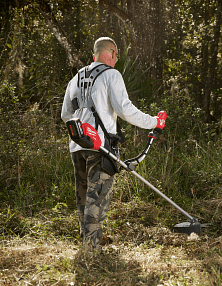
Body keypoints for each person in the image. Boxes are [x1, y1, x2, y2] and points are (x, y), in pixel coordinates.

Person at [61, 37, 167, 252]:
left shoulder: (76, 78)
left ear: (94, 56)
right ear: (110, 53)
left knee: (83, 194)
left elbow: (65, 115)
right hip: (99, 147)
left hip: (77, 145)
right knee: (97, 196)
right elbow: (125, 110)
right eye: (116, 56)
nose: (117, 60)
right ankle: (91, 249)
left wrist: (82, 129)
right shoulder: (111, 74)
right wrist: (154, 122)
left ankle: (87, 241)